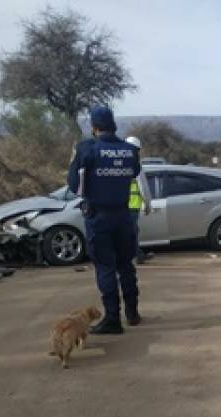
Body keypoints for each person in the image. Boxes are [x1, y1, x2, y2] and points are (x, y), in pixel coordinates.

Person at [67, 106, 142, 334]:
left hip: (99, 217)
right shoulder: (130, 150)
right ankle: (132, 313)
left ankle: (112, 319)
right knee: (125, 265)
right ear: (114, 125)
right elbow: (134, 172)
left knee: (105, 267)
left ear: (94, 127)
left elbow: (73, 186)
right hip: (124, 215)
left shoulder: (87, 150)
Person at [124, 136, 154, 264]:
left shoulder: (116, 161)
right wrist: (147, 204)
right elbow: (143, 186)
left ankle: (136, 254)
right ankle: (135, 256)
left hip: (118, 204)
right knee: (132, 233)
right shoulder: (135, 164)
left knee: (126, 232)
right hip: (132, 205)